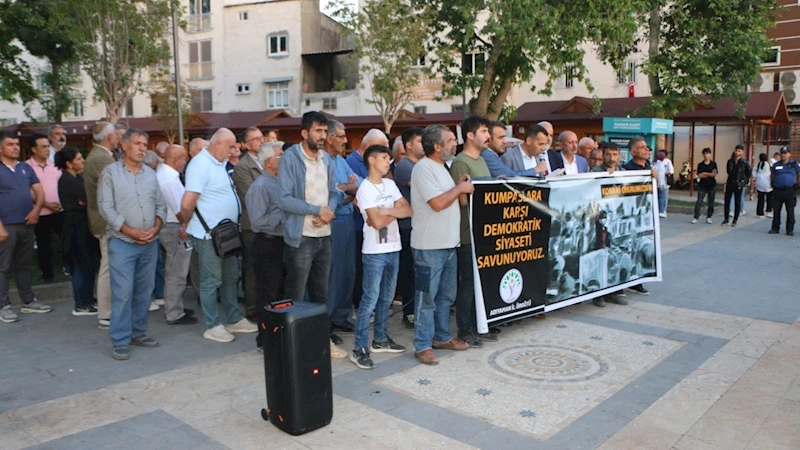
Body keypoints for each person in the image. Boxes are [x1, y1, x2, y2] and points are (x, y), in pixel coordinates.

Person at [277, 112, 346, 359]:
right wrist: (317, 210)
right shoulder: (290, 158)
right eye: (318, 131)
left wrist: (329, 213)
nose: (322, 136)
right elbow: (283, 199)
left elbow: (335, 193)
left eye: (325, 131)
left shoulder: (327, 160)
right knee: (295, 294)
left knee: (321, 294)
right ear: (305, 133)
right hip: (301, 237)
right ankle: (292, 346)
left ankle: (321, 340)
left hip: (324, 235)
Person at [180, 128, 258, 343]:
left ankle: (233, 318)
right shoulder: (200, 164)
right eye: (231, 146)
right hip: (209, 235)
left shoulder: (216, 163)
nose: (235, 150)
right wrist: (185, 222)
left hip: (226, 233)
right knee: (211, 280)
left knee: (231, 277)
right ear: (218, 145)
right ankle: (212, 324)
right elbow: (187, 203)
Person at [98, 128, 166, 360]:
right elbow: (106, 208)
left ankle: (138, 332)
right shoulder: (110, 173)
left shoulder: (150, 174)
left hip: (150, 242)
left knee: (144, 291)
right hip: (123, 242)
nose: (141, 148)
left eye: (144, 144)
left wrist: (155, 228)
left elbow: (161, 205)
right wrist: (131, 232)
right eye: (137, 143)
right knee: (123, 292)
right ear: (124, 146)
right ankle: (120, 339)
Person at [410, 124, 472, 365]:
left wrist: (458, 184)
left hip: (449, 244)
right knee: (426, 298)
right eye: (449, 140)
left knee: (446, 296)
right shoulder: (423, 168)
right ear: (436, 146)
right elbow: (436, 203)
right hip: (429, 247)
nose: (454, 143)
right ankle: (422, 345)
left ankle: (442, 336)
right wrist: (460, 188)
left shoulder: (443, 168)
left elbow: (453, 198)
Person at [350, 144, 411, 369]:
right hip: (374, 252)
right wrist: (390, 212)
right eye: (385, 158)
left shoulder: (391, 184)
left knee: (387, 299)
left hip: (393, 248)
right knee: (369, 301)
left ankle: (381, 338)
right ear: (372, 160)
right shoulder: (365, 188)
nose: (389, 161)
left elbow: (408, 210)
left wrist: (384, 211)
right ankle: (359, 348)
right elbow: (374, 223)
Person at [450, 116, 498, 347]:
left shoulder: (482, 160)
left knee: (483, 280)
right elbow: (460, 200)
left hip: (484, 231)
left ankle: (482, 323)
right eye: (484, 131)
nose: (488, 136)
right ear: (470, 135)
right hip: (467, 233)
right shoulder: (461, 162)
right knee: (467, 282)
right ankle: (464, 328)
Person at [0, 131, 51, 323]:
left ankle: (28, 301)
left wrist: (36, 210)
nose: (15, 147)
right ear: (0, 148)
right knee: (3, 267)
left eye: (16, 143)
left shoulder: (25, 168)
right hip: (6, 226)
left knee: (25, 265)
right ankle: (3, 306)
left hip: (27, 224)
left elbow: (39, 191)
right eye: (10, 144)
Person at [323, 120, 361, 337]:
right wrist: (349, 189)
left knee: (348, 270)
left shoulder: (341, 160)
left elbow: (360, 184)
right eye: (341, 136)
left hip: (347, 220)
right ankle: (325, 321)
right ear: (330, 138)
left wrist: (347, 188)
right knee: (333, 274)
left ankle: (340, 316)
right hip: (333, 223)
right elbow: (332, 195)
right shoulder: (323, 161)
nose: (346, 140)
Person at [246, 141, 285, 350]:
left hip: (281, 244)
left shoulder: (280, 182)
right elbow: (258, 221)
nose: (284, 160)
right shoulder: (260, 186)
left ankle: (278, 334)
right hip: (267, 244)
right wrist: (285, 214)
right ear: (269, 162)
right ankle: (265, 339)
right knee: (267, 294)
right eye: (280, 156)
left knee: (280, 293)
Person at [347, 129, 389, 315]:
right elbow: (359, 193)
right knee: (362, 269)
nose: (387, 154)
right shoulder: (352, 163)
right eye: (383, 149)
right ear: (370, 147)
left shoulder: (380, 165)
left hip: (380, 222)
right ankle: (361, 306)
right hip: (360, 225)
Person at [156, 144, 197, 326]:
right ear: (175, 160)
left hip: (173, 225)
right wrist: (185, 225)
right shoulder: (169, 179)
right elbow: (180, 209)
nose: (185, 163)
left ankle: (175, 306)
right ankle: (174, 312)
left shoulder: (167, 175)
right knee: (177, 271)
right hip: (175, 227)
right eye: (183, 160)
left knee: (176, 269)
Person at [56, 147, 100, 316]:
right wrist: (84, 202)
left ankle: (88, 298)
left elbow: (87, 198)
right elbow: (89, 197)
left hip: (83, 225)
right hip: (75, 228)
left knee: (88, 264)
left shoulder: (78, 177)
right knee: (81, 265)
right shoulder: (67, 180)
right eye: (79, 159)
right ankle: (81, 303)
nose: (83, 161)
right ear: (69, 163)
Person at [84, 121, 119, 329]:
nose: (117, 138)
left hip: (104, 219)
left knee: (109, 265)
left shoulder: (99, 156)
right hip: (106, 221)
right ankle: (105, 313)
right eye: (115, 135)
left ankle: (107, 310)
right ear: (109, 137)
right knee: (108, 266)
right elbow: (117, 186)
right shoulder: (100, 158)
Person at [589, 142, 628, 308]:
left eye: (615, 154)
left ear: (620, 156)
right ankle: (597, 294)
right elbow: (590, 194)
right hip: (599, 224)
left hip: (616, 222)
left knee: (614, 256)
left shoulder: (625, 173)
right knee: (600, 256)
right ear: (603, 155)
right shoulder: (593, 172)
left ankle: (613, 291)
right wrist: (606, 176)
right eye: (608, 154)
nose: (612, 158)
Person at [233, 126, 265, 318]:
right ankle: (252, 309)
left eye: (262, 137)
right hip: (251, 225)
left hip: (269, 224)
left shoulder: (267, 161)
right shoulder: (242, 166)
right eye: (256, 138)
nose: (261, 141)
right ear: (246, 145)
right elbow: (250, 197)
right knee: (253, 268)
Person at [393, 127, 423, 329]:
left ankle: (420, 309)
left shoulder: (421, 165)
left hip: (420, 227)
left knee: (420, 271)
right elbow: (424, 188)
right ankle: (409, 312)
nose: (424, 144)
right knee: (410, 273)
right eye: (420, 141)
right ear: (409, 144)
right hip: (407, 227)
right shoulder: (404, 166)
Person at [26, 133, 63, 284]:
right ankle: (48, 276)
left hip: (60, 211)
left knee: (66, 241)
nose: (47, 150)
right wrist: (47, 204)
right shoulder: (26, 167)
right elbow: (28, 192)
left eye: (48, 146)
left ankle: (69, 268)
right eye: (43, 147)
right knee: (44, 245)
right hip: (40, 213)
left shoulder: (55, 165)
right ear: (34, 150)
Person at [622, 136, 654, 296]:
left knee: (642, 248)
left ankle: (638, 280)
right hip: (631, 216)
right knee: (630, 249)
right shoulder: (627, 169)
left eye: (647, 147)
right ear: (633, 152)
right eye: (642, 147)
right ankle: (626, 280)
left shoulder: (649, 167)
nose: (646, 149)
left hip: (646, 215)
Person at [769, 147, 800, 236]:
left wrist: (797, 184)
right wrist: (773, 183)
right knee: (776, 210)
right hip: (778, 191)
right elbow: (772, 175)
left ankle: (789, 229)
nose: (783, 155)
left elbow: (798, 174)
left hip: (790, 191)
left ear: (789, 154)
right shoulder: (776, 165)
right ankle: (775, 228)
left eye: (785, 153)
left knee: (790, 211)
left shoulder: (794, 164)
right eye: (782, 153)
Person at [722, 145, 751, 227]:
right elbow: (728, 171)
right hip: (730, 183)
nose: (737, 152)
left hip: (738, 184)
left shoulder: (744, 163)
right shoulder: (730, 162)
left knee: (737, 202)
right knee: (727, 201)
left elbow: (748, 173)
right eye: (736, 151)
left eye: (739, 151)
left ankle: (735, 220)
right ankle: (726, 218)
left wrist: (743, 183)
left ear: (742, 152)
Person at [692, 148, 718, 224]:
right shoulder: (700, 165)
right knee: (699, 201)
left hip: (712, 185)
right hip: (702, 185)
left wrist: (705, 173)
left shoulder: (713, 164)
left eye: (708, 153)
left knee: (711, 202)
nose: (706, 155)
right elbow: (699, 175)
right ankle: (696, 217)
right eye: (705, 154)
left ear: (710, 154)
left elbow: (714, 174)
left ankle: (709, 217)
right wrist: (707, 174)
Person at [654, 150, 675, 218]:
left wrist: (669, 172)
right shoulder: (655, 162)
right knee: (657, 197)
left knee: (663, 197)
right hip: (656, 182)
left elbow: (672, 170)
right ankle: (657, 210)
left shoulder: (667, 162)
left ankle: (662, 211)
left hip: (664, 182)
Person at [753, 153, 773, 219]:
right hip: (768, 183)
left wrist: (756, 177)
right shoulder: (768, 164)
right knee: (769, 198)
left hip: (759, 182)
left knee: (760, 199)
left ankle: (760, 213)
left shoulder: (758, 164)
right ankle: (769, 211)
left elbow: (753, 172)